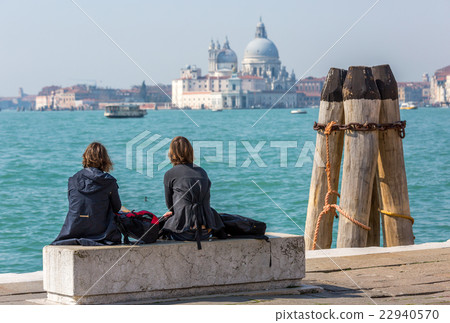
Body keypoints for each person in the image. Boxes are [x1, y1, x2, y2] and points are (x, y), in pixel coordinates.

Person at [51, 142, 122, 246]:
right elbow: (117, 208)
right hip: (102, 233)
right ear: (105, 159)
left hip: (73, 230)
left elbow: (74, 204)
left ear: (85, 157)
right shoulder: (109, 181)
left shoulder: (73, 180)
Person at [162, 136, 224, 246]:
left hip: (183, 233)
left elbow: (170, 207)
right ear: (190, 152)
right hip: (206, 232)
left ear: (171, 154)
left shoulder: (170, 174)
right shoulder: (202, 172)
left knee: (162, 225)